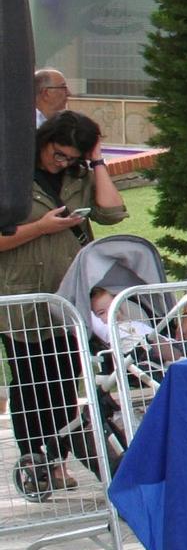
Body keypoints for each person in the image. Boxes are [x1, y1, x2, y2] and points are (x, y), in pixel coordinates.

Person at [0, 111, 126, 495]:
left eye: (72, 157)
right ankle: (34, 460)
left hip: (68, 294)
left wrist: (98, 160)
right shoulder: (13, 174)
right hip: (22, 295)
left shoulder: (78, 176)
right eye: (58, 154)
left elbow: (113, 211)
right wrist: (41, 228)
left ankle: (57, 459)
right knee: (29, 383)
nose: (62, 163)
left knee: (66, 381)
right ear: (43, 141)